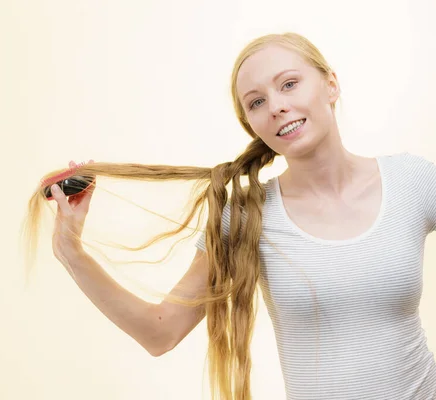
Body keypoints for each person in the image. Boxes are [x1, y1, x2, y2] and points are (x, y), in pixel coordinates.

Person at [24, 32, 436, 400]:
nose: (276, 106)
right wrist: (71, 251)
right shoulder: (244, 216)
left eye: (289, 84)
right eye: (256, 102)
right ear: (253, 124)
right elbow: (160, 332)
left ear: (330, 84)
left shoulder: (413, 180)